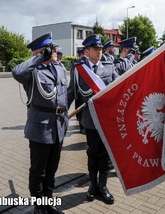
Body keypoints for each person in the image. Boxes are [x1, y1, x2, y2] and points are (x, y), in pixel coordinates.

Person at [12, 32, 67, 214]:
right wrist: (37, 59)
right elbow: (17, 72)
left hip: (58, 125)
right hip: (40, 128)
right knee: (39, 170)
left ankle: (48, 203)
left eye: (53, 47)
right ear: (41, 51)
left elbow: (63, 96)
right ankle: (38, 207)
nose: (55, 51)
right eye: (50, 49)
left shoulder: (58, 68)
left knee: (52, 169)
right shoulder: (32, 70)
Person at [68, 34, 119, 204]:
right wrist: (60, 113)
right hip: (90, 120)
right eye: (96, 49)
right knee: (92, 154)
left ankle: (103, 187)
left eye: (101, 48)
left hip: (106, 120)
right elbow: (71, 92)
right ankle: (92, 186)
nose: (99, 52)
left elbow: (118, 87)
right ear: (87, 51)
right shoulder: (79, 69)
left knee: (104, 155)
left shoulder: (109, 66)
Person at [68, 47, 86, 134]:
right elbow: (73, 76)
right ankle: (81, 126)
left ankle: (82, 125)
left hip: (83, 92)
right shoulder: (76, 64)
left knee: (82, 110)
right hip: (78, 91)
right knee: (79, 109)